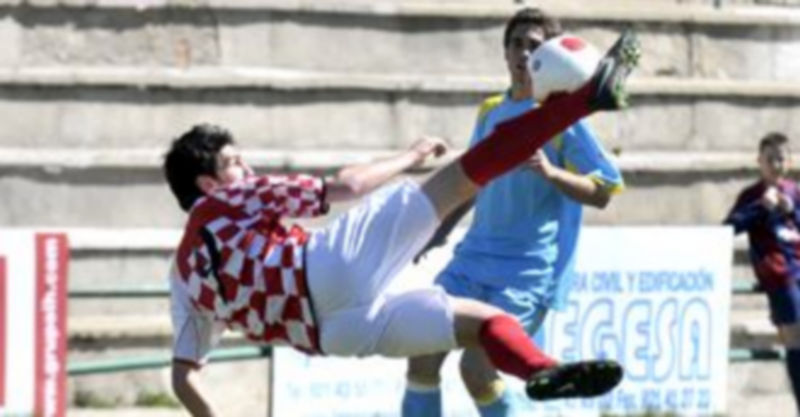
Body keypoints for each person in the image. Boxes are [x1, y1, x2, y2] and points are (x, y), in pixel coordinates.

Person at [164, 30, 640, 416]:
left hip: (334, 337)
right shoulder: (229, 200)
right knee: (461, 175)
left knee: (482, 323)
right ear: (208, 184)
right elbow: (345, 188)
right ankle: (584, 100)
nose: (245, 170)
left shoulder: (181, 279)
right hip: (328, 266)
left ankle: (541, 370)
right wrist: (410, 156)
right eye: (234, 162)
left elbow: (184, 376)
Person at [402, 8, 625, 417]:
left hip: (526, 271)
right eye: (517, 44)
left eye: (535, 46)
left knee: (477, 366)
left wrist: (552, 172)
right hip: (472, 259)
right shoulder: (490, 110)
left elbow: (604, 190)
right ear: (505, 54)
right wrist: (438, 230)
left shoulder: (562, 119)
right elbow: (471, 179)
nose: (524, 53)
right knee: (422, 353)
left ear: (552, 57)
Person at [724, 132, 800, 413]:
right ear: (759, 162)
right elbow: (730, 226)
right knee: (795, 337)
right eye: (770, 159)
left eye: (781, 158)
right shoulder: (752, 195)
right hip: (779, 272)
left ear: (789, 161)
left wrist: (791, 209)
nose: (776, 165)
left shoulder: (794, 192)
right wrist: (761, 207)